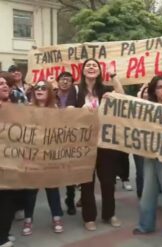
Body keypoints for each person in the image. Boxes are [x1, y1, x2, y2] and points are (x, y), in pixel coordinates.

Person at [66, 58, 124, 231]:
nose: (91, 67)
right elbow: (67, 110)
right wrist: (80, 110)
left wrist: (113, 75)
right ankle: (89, 217)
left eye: (95, 66)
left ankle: (109, 214)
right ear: (83, 71)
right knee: (86, 181)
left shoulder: (104, 89)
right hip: (84, 143)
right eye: (88, 66)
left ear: (99, 71)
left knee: (108, 181)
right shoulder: (75, 89)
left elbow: (121, 96)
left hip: (105, 143)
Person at [133, 75, 162, 243]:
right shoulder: (147, 107)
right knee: (148, 193)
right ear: (154, 90)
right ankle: (145, 225)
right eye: (160, 87)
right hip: (150, 155)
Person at [22, 80, 64, 236]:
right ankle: (28, 219)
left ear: (49, 92)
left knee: (52, 188)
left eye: (43, 88)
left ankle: (57, 216)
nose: (39, 90)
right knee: (31, 189)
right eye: (36, 88)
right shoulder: (26, 109)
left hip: (49, 156)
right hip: (32, 156)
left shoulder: (56, 110)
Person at [55, 72, 78, 215]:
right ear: (57, 81)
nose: (65, 82)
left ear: (72, 83)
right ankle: (55, 206)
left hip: (71, 137)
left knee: (70, 171)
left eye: (68, 80)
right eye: (62, 80)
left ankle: (70, 200)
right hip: (53, 137)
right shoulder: (50, 94)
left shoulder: (75, 97)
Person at [0, 71, 18, 247]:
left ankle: (4, 232)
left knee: (8, 201)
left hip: (10, 164)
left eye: (6, 83)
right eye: (0, 84)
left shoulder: (14, 106)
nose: (4, 85)